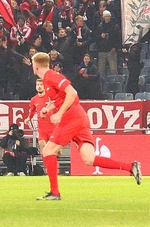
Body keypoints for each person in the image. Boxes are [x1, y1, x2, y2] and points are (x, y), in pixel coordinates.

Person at [32, 51, 140, 200]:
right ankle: (130, 167)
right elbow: (57, 99)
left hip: (72, 118)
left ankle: (55, 192)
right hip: (79, 118)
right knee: (89, 159)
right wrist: (48, 109)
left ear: (35, 66)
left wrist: (59, 113)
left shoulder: (52, 76)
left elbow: (72, 93)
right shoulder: (46, 80)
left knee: (48, 151)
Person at [24, 77, 54, 146]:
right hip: (41, 127)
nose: (39, 87)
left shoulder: (50, 97)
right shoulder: (34, 99)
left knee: (56, 151)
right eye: (37, 85)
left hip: (52, 127)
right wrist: (28, 118)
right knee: (42, 145)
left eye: (41, 85)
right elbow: (32, 110)